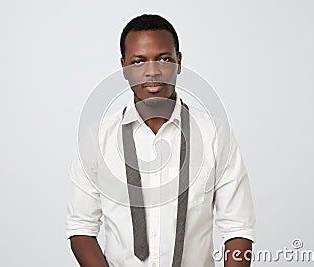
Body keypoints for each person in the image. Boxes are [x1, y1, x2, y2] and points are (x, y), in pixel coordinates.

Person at [66, 14, 256, 267]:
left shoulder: (215, 135)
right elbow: (81, 228)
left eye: (164, 59)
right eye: (138, 61)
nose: (152, 71)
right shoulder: (96, 139)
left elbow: (238, 229)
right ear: (123, 67)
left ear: (179, 62)